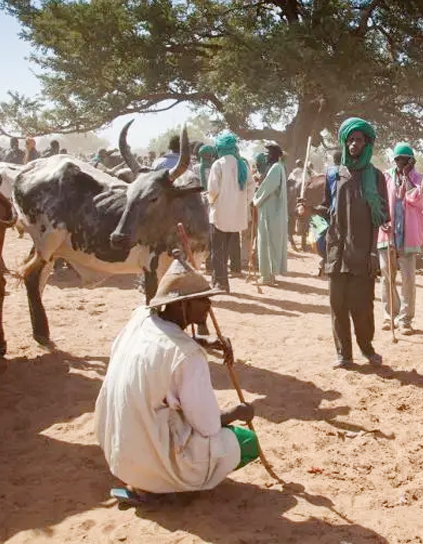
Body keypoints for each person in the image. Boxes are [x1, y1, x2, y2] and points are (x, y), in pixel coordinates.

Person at [94, 257, 259, 503]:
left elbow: (163, 343)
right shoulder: (188, 356)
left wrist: (203, 340)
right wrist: (237, 413)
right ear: (182, 305)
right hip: (152, 457)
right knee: (247, 443)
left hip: (118, 453)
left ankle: (145, 479)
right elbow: (209, 426)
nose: (209, 304)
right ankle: (163, 486)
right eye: (202, 299)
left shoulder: (139, 319)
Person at [298, 117, 388, 369]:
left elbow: (381, 216)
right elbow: (328, 209)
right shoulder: (334, 175)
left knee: (363, 306)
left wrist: (373, 252)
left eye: (358, 140)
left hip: (363, 251)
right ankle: (343, 355)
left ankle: (367, 349)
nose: (353, 144)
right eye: (349, 140)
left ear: (367, 143)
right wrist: (310, 210)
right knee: (337, 305)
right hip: (336, 249)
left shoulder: (376, 177)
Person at [377, 142, 423, 333]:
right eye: (398, 159)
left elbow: (418, 199)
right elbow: (379, 201)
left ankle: (405, 319)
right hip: (387, 233)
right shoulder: (385, 177)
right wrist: (381, 219)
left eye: (405, 160)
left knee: (408, 278)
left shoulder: (419, 179)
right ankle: (390, 315)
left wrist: (408, 179)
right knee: (386, 276)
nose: (401, 163)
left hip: (408, 236)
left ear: (412, 161)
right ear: (394, 160)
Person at [205, 132, 252, 292]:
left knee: (218, 250)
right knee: (227, 248)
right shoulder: (243, 165)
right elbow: (251, 188)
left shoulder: (218, 164)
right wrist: (243, 203)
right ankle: (221, 282)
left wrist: (211, 202)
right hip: (237, 215)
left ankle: (220, 283)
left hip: (219, 214)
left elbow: (212, 190)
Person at [251, 143, 288, 286]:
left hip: (270, 212)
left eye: (269, 153)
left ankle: (267, 277)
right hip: (271, 211)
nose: (266, 156)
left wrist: (255, 199)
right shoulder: (277, 168)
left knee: (266, 242)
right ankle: (270, 275)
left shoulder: (276, 168)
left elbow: (267, 188)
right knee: (270, 242)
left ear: (275, 155)